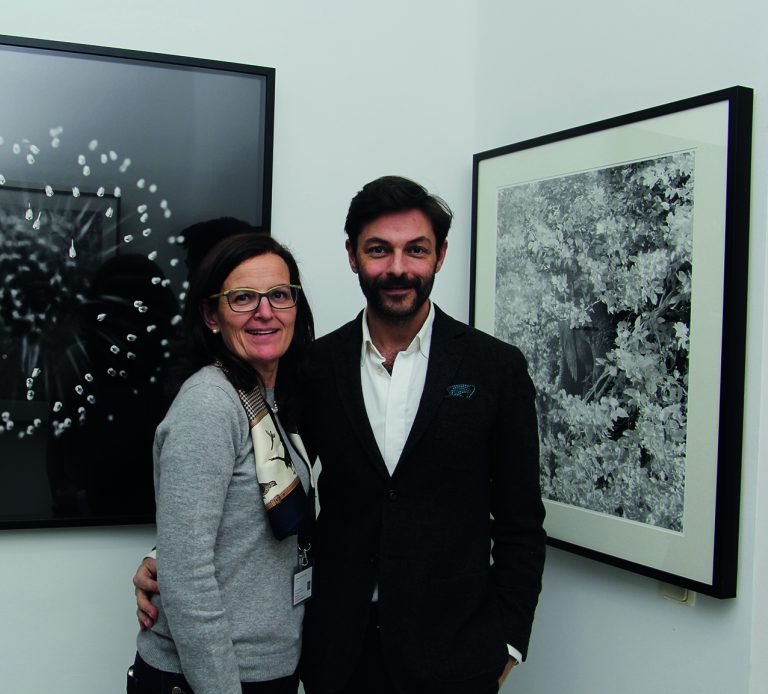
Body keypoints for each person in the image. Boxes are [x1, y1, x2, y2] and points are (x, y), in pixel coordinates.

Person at [135, 176, 546, 693]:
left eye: (415, 250)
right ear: (353, 256)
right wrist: (164, 555)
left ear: (440, 256)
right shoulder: (309, 367)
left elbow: (521, 523)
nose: (397, 268)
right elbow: (246, 470)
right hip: (336, 650)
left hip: (454, 654)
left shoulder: (496, 369)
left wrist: (509, 637)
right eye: (379, 250)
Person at [129, 233, 316, 694]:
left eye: (279, 295)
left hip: (263, 667)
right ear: (212, 316)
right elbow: (188, 576)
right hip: (211, 678)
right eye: (243, 298)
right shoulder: (210, 405)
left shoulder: (267, 400)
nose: (265, 311)